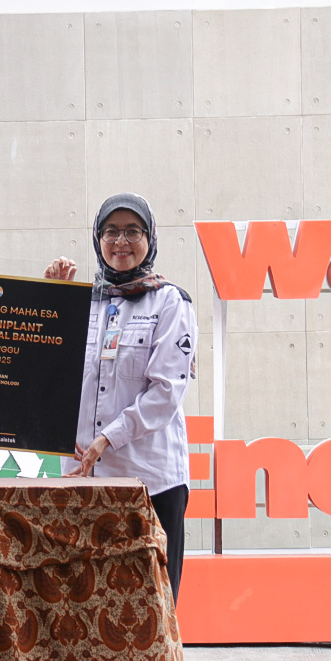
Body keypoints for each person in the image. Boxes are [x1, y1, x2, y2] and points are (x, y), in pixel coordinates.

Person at [44, 193, 196, 602]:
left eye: (133, 231)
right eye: (111, 231)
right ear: (98, 238)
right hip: (82, 478)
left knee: (152, 601)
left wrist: (107, 439)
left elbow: (166, 391)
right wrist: (53, 302)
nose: (120, 241)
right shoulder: (82, 302)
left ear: (150, 238)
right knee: (84, 601)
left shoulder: (170, 302)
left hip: (149, 480)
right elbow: (49, 378)